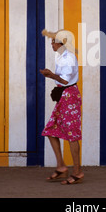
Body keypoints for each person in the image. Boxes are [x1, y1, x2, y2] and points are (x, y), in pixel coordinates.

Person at [39, 29, 84, 185]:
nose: (51, 44)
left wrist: (50, 75)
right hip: (63, 96)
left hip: (69, 96)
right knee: (51, 130)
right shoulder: (62, 56)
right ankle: (61, 166)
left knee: (72, 135)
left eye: (53, 41)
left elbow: (65, 81)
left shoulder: (69, 58)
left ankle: (77, 172)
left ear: (61, 43)